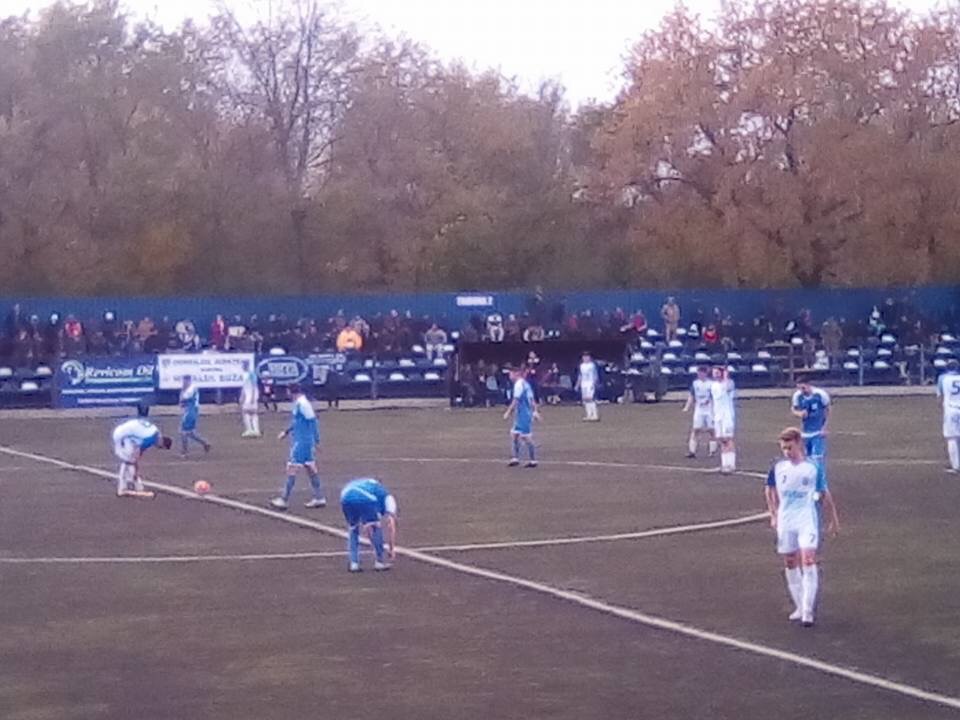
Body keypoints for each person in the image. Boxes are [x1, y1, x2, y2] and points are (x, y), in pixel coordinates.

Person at [765, 427, 840, 627]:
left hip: (806, 519)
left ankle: (808, 610)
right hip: (786, 520)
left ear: (798, 443)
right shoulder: (778, 467)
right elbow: (769, 489)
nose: (786, 452)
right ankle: (799, 605)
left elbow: (824, 493)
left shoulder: (813, 468)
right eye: (783, 448)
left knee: (808, 559)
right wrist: (773, 513)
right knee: (790, 561)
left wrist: (833, 518)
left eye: (789, 447)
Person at [269, 384, 326, 510]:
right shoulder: (300, 404)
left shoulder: (303, 404)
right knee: (310, 468)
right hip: (304, 442)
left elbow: (313, 422)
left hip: (302, 443)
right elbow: (297, 422)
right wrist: (286, 431)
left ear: (291, 392)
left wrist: (317, 441)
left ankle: (284, 499)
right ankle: (319, 497)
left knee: (292, 468)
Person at [111, 404, 172, 498]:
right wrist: (136, 471)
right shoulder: (150, 440)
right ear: (162, 443)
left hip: (127, 435)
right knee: (128, 460)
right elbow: (137, 453)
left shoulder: (155, 432)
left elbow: (139, 452)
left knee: (131, 459)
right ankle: (123, 487)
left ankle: (135, 485)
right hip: (121, 435)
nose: (157, 447)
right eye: (160, 447)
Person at [340, 477, 398, 572]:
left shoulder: (371, 485)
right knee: (375, 527)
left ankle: (354, 563)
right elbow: (391, 525)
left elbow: (368, 529)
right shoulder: (388, 498)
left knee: (353, 528)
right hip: (365, 497)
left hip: (345, 496)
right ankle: (379, 561)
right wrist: (391, 548)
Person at [503, 365, 540, 467]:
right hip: (522, 414)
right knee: (514, 434)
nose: (509, 376)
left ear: (516, 374)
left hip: (524, 414)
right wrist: (535, 411)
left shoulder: (519, 384)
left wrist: (508, 412)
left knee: (526, 437)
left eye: (510, 374)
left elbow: (516, 400)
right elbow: (532, 399)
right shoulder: (525, 384)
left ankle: (533, 460)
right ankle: (515, 458)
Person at [791, 377, 831, 470]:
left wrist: (824, 427)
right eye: (799, 388)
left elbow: (828, 410)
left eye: (803, 388)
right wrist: (799, 414)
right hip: (805, 433)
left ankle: (820, 478)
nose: (801, 391)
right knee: (807, 459)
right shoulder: (797, 396)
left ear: (809, 385)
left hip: (818, 432)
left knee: (817, 459)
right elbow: (793, 409)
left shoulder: (820, 394)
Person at [683, 366, 717, 458]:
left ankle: (712, 451)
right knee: (696, 429)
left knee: (712, 430)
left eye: (702, 373)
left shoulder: (711, 384)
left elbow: (715, 397)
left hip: (710, 410)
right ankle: (692, 451)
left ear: (705, 373)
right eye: (699, 373)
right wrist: (687, 407)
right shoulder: (695, 383)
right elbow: (691, 396)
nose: (700, 375)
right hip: (699, 410)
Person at [711, 365, 736, 473]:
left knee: (728, 439)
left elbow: (728, 388)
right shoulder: (713, 385)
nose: (715, 375)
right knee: (721, 440)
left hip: (727, 415)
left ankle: (731, 465)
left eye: (717, 372)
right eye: (714, 373)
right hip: (718, 416)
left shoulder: (729, 383)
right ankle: (724, 464)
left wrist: (726, 376)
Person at [936, 359, 960, 473]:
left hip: (951, 409)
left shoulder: (942, 378)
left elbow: (939, 396)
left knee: (952, 438)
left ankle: (956, 466)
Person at [179, 375, 211, 457]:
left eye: (185, 381)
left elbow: (182, 400)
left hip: (190, 411)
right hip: (192, 411)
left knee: (183, 432)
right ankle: (205, 443)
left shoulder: (190, 389)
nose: (184, 383)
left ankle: (184, 452)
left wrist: (182, 390)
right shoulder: (192, 388)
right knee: (190, 432)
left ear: (188, 381)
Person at [576, 351, 600, 422]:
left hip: (590, 383)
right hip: (583, 384)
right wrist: (577, 384)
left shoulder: (592, 365)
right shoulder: (581, 366)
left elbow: (595, 375)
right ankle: (589, 415)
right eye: (584, 357)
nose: (585, 358)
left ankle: (595, 415)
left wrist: (594, 383)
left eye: (587, 356)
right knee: (585, 399)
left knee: (590, 399)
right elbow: (580, 375)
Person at [239, 370, 261, 438]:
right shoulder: (254, 385)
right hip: (254, 400)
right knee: (254, 414)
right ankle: (256, 430)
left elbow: (244, 392)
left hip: (249, 400)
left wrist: (242, 399)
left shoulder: (248, 383)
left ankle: (249, 430)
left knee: (246, 413)